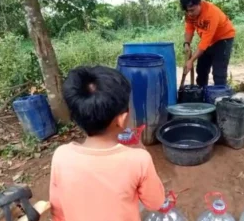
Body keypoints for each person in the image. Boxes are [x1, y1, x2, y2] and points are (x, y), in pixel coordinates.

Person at [50, 66, 165, 221]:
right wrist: (139, 147)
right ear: (122, 119)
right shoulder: (139, 160)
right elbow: (155, 203)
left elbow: (58, 212)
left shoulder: (61, 157)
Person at [180, 0, 236, 87]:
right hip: (208, 40)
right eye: (187, 11)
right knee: (201, 69)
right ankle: (201, 95)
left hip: (223, 38)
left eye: (192, 10)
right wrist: (187, 43)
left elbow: (205, 42)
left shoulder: (211, 13)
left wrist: (191, 60)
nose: (190, 14)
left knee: (219, 71)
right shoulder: (189, 13)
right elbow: (189, 29)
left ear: (199, 3)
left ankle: (220, 96)